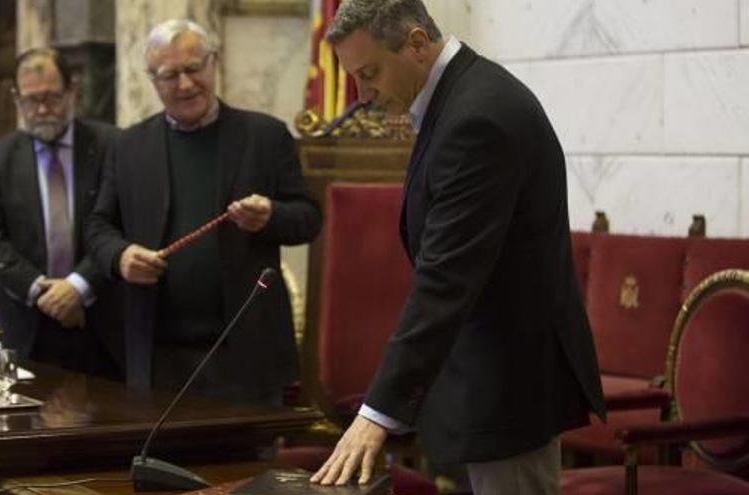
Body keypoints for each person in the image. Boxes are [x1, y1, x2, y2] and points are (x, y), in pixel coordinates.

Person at [311, 1, 606, 493]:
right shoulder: (461, 97)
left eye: (369, 73)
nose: (361, 95)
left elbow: (444, 279)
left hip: (508, 393)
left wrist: (377, 413)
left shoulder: (478, 117)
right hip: (481, 385)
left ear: (417, 45)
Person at [84, 20, 321, 404]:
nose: (185, 84)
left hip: (244, 357)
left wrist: (271, 216)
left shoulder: (265, 136)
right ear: (152, 80)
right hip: (157, 356)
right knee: (160, 464)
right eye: (169, 75)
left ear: (214, 63)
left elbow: (309, 218)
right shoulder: (128, 146)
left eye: (194, 68)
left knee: (248, 465)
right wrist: (120, 256)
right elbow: (98, 225)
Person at [0, 48, 121, 377]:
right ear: (16, 98)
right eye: (31, 100)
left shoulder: (110, 144)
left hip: (99, 322)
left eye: (53, 97)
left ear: (73, 90)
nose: (42, 109)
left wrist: (78, 287)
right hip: (27, 326)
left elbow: (120, 223)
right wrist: (44, 292)